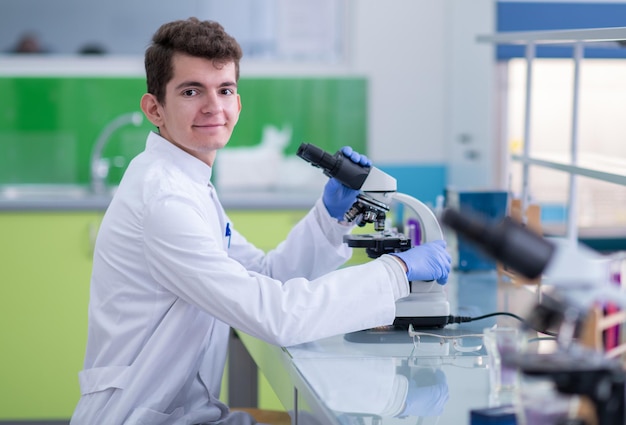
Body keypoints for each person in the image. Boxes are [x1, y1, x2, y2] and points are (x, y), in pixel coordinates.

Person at [70, 17, 451, 425]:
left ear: (238, 103)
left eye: (225, 90)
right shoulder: (165, 200)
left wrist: (330, 217)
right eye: (191, 90)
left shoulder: (188, 182)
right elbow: (277, 316)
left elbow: (267, 275)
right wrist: (397, 272)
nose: (213, 106)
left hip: (178, 412)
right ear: (155, 108)